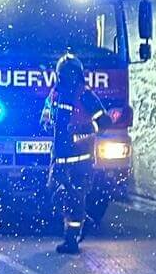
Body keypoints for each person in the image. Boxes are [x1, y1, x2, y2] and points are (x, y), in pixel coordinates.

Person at [42, 52, 112, 255]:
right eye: (65, 74)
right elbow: (47, 111)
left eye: (72, 74)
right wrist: (46, 121)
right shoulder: (55, 93)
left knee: (75, 198)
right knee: (55, 193)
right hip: (59, 157)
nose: (68, 78)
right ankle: (84, 221)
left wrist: (85, 129)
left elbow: (104, 122)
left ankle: (71, 239)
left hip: (81, 159)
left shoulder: (85, 96)